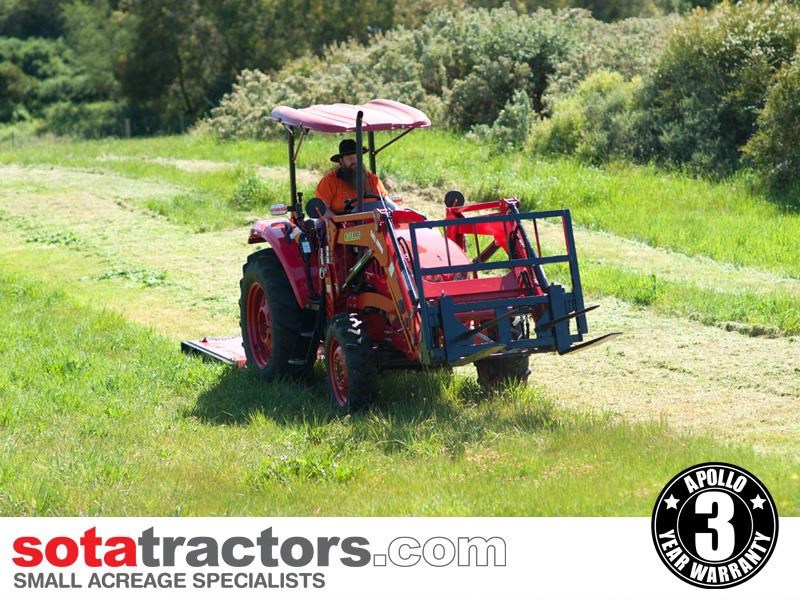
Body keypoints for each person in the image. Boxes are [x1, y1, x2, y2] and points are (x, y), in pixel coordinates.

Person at [315, 139, 395, 214]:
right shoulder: (329, 182)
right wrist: (335, 222)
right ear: (341, 161)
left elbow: (386, 201)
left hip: (374, 224)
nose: (355, 161)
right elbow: (322, 209)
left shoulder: (372, 179)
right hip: (345, 225)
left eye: (357, 157)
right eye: (350, 158)